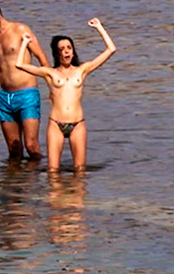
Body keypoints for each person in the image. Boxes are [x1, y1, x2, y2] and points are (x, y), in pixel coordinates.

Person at [13, 18, 118, 172]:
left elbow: (111, 49)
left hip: (78, 124)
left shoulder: (82, 70)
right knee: (53, 171)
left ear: (73, 50)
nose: (67, 51)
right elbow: (20, 65)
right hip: (56, 124)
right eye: (62, 49)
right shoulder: (50, 73)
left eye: (69, 47)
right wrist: (24, 43)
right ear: (57, 53)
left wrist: (99, 27)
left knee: (80, 170)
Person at [0, 0, 47, 161]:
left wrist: (54, 88)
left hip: (27, 94)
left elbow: (41, 58)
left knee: (32, 146)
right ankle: (16, 185)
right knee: (14, 151)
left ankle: (40, 180)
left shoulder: (20, 30)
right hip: (5, 99)